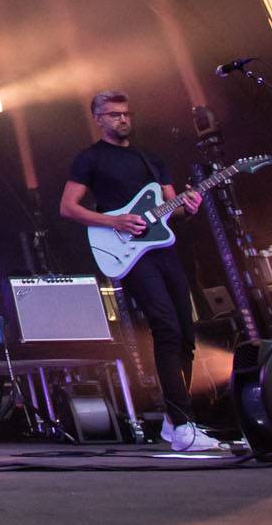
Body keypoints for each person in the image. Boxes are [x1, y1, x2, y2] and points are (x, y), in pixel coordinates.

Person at [58, 91, 223, 452]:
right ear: (98, 119)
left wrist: (189, 206)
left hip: (163, 248)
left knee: (184, 333)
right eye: (114, 114)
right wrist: (113, 220)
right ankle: (182, 424)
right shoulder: (90, 159)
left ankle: (172, 422)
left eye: (126, 113)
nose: (122, 119)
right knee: (164, 326)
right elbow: (68, 208)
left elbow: (171, 206)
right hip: (131, 254)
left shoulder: (151, 158)